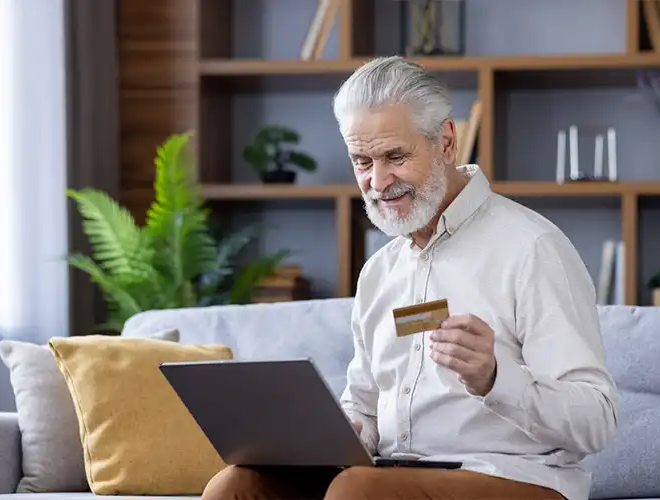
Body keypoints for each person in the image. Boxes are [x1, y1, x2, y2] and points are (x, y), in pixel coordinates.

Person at [201, 56, 618, 500]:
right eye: (361, 161)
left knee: (358, 491)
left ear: (446, 141)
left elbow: (598, 421)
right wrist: (342, 433)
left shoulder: (532, 248)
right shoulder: (379, 272)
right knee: (237, 486)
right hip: (389, 475)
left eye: (395, 156)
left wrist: (496, 378)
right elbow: (362, 405)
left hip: (517, 478)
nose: (378, 181)